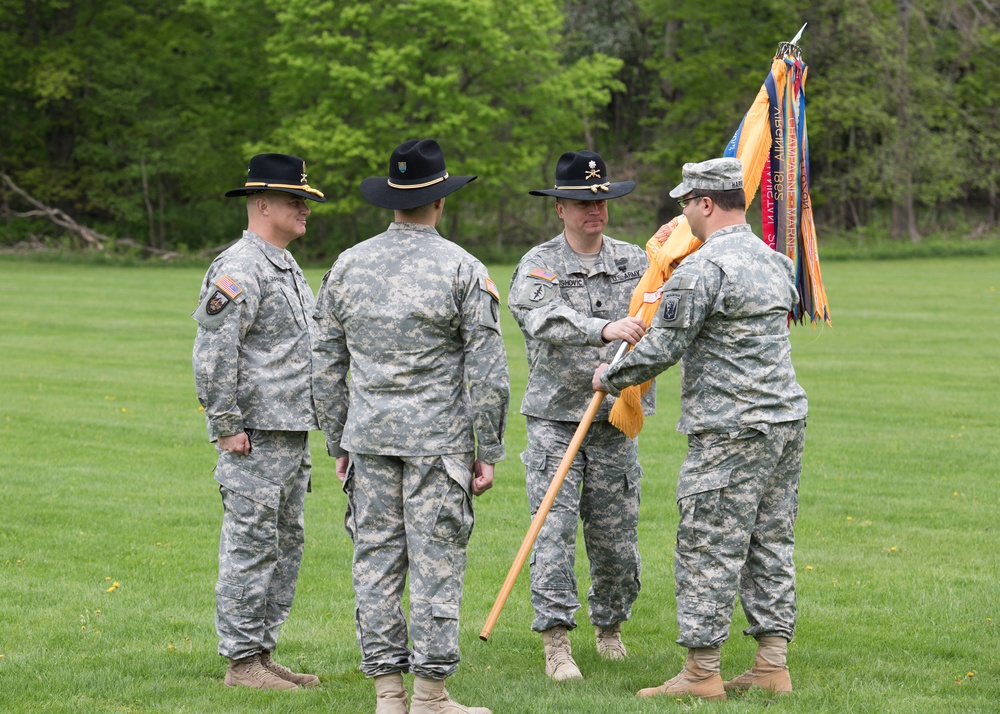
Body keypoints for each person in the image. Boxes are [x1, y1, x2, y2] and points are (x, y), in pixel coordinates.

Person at [593, 157, 808, 701]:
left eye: (686, 204)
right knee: (769, 540)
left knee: (706, 545)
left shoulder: (702, 270)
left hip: (729, 428)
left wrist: (609, 374)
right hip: (784, 421)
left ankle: (701, 672)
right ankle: (771, 665)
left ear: (705, 203)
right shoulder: (778, 262)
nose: (683, 214)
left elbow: (663, 347)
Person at [312, 138, 509, 714]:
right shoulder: (462, 269)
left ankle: (387, 696)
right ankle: (429, 697)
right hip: (437, 447)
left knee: (374, 563)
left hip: (368, 442)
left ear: (391, 200)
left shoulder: (347, 264)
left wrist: (337, 439)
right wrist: (489, 447)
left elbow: (324, 364)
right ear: (440, 201)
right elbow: (488, 373)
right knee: (435, 563)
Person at [507, 150, 653, 682]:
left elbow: (656, 318)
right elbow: (537, 315)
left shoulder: (637, 260)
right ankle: (556, 643)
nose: (595, 211)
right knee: (552, 535)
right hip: (556, 421)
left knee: (616, 541)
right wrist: (602, 328)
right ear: (559, 209)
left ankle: (610, 628)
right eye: (581, 203)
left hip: (615, 421)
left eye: (602, 201)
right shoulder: (540, 264)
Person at [192, 153, 326, 690]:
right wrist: (225, 423)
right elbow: (213, 352)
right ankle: (241, 662)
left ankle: (262, 653)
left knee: (284, 543)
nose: (305, 208)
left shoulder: (283, 263)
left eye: (306, 200)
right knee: (251, 544)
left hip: (289, 431)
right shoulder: (240, 267)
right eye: (295, 200)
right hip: (255, 436)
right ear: (261, 203)